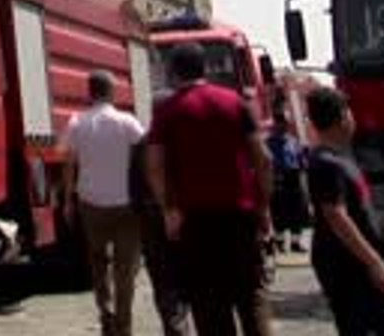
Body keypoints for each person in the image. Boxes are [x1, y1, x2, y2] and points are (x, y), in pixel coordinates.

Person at [147, 41, 277, 336]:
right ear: (204, 67)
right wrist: (263, 205)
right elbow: (264, 160)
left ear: (172, 72)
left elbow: (155, 165)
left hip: (195, 220)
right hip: (240, 214)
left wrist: (168, 209)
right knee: (251, 296)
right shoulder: (235, 102)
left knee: (208, 304)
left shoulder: (167, 111)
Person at [304, 86, 384, 335]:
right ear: (342, 117)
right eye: (349, 111)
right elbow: (336, 215)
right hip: (347, 265)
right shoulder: (326, 164)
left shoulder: (339, 158)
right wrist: (375, 264)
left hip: (354, 262)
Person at [61, 69, 148, 336]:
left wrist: (68, 200)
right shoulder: (128, 122)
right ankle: (123, 325)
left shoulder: (77, 122)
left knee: (98, 263)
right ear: (111, 91)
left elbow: (68, 164)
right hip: (126, 206)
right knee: (126, 268)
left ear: (89, 92)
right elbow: (144, 157)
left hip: (91, 204)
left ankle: (106, 313)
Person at [130, 133, 193, 336]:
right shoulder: (185, 137)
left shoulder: (141, 144)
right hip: (187, 216)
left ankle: (176, 329)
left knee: (165, 284)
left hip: (153, 223)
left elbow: (133, 191)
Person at [268, 112, 311, 254]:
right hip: (278, 178)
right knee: (279, 212)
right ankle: (280, 242)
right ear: (276, 124)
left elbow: (301, 160)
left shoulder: (293, 141)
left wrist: (303, 164)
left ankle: (295, 243)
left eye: (286, 123)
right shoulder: (269, 142)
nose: (285, 125)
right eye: (282, 122)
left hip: (294, 178)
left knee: (297, 211)